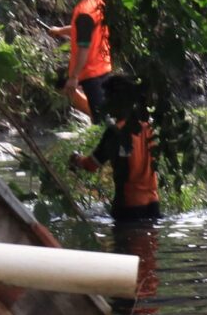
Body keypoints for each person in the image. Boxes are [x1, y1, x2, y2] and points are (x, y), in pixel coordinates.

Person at [69, 81, 161, 222]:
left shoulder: (115, 132)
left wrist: (76, 159)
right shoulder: (148, 127)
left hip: (128, 206)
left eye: (107, 99)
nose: (105, 104)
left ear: (118, 102)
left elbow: (91, 165)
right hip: (153, 204)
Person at [45, 0, 115, 117]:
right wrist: (59, 31)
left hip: (91, 73)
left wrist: (74, 77)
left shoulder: (84, 12)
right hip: (102, 65)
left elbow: (84, 47)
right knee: (62, 85)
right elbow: (84, 32)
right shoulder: (98, 1)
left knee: (103, 120)